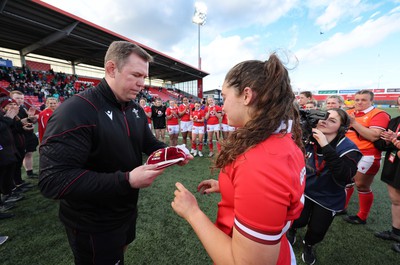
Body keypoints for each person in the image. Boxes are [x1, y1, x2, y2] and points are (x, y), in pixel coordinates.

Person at [39, 41, 191, 265]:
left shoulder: (135, 108)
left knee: (120, 254)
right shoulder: (75, 111)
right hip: (92, 222)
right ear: (111, 69)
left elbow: (147, 142)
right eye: (136, 75)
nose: (142, 84)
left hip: (126, 210)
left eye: (144, 77)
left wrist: (172, 152)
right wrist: (127, 179)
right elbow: (53, 181)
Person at [171, 54, 306, 265]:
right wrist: (228, 186)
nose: (222, 107)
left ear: (246, 95)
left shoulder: (260, 163)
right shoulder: (280, 139)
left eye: (224, 97)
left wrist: (192, 212)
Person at [287, 108, 362, 265]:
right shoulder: (307, 137)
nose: (325, 121)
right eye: (324, 117)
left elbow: (344, 175)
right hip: (306, 190)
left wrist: (325, 146)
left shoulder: (348, 147)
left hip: (329, 196)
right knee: (297, 220)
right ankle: (292, 230)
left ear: (341, 128)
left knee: (317, 230)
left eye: (333, 120)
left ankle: (309, 245)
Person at [343, 90, 390, 224]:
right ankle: (342, 207)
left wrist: (354, 123)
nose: (359, 102)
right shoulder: (349, 112)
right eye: (357, 99)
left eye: (363, 100)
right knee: (347, 181)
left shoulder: (379, 114)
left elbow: (374, 136)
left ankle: (362, 216)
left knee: (362, 185)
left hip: (367, 155)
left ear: (371, 101)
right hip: (348, 153)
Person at [373, 96, 400, 253]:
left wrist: (395, 140)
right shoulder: (395, 121)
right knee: (395, 200)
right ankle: (396, 232)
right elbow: (380, 144)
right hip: (393, 165)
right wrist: (389, 141)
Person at [10, 90, 39, 179]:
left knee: (29, 153)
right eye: (17, 98)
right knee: (19, 157)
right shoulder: (9, 110)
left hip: (29, 135)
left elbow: (29, 121)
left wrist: (32, 119)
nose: (20, 100)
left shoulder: (23, 108)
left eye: (22, 98)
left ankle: (29, 172)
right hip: (19, 137)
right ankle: (17, 181)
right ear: (11, 98)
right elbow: (12, 126)